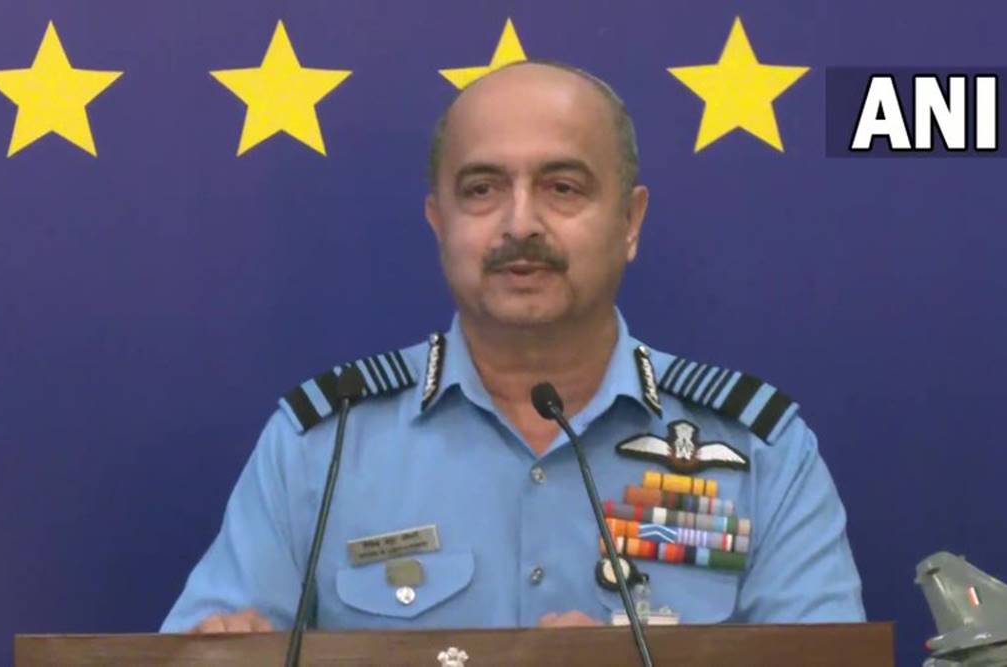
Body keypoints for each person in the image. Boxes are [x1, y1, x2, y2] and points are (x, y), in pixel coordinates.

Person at [161, 60, 864, 634]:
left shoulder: (758, 451)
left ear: (630, 221)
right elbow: (211, 644)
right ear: (439, 222)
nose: (520, 222)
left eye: (562, 187)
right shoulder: (326, 444)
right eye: (482, 189)